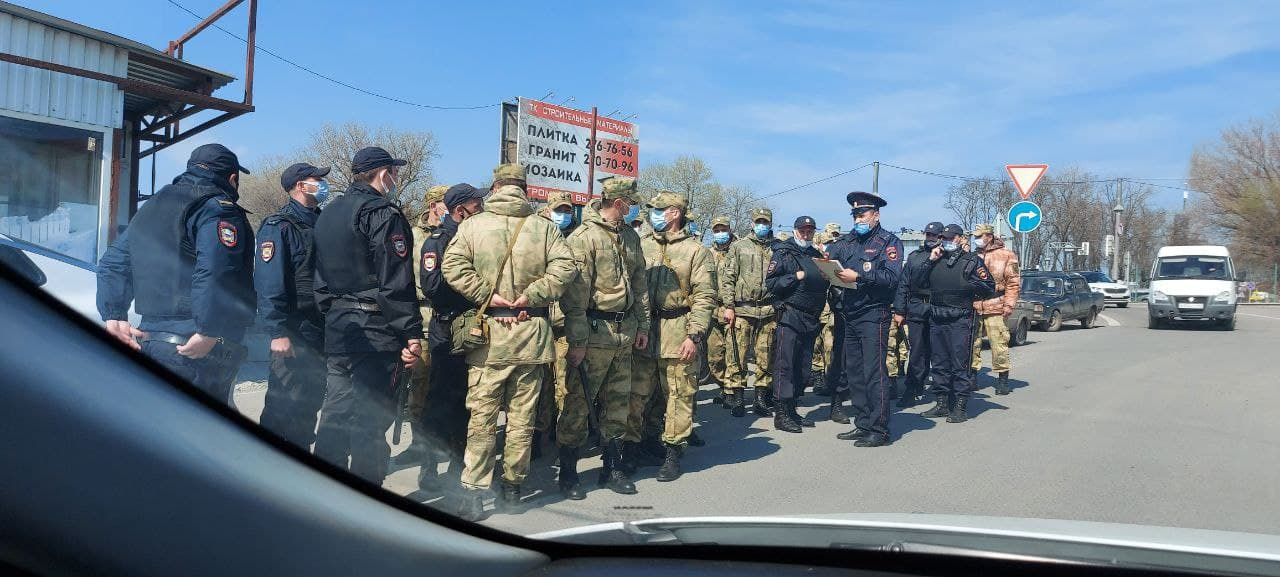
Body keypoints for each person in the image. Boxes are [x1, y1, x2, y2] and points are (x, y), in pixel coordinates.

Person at [442, 164, 576, 521]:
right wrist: (533, 294)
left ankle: (473, 493)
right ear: (523, 189)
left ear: (496, 187)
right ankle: (513, 488)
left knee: (482, 419)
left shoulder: (472, 225)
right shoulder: (544, 228)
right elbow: (565, 269)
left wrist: (489, 295)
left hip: (489, 338)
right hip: (532, 334)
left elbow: (451, 265)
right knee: (522, 418)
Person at [96, 143, 255, 405]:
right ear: (233, 178)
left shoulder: (151, 206)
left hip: (151, 339)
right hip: (195, 346)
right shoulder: (217, 208)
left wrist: (113, 314)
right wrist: (209, 329)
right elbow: (216, 270)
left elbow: (114, 262)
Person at [311, 146, 423, 485]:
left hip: (340, 327)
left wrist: (334, 313)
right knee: (370, 421)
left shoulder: (328, 213)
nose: (397, 178)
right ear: (382, 173)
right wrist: (410, 332)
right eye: (394, 171)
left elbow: (318, 277)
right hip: (375, 331)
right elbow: (395, 281)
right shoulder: (382, 213)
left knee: (335, 413)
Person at [556, 176, 650, 499]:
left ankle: (611, 467)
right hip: (595, 334)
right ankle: (568, 471)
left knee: (618, 403)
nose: (634, 207)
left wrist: (643, 326)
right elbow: (575, 298)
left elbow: (640, 287)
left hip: (624, 333)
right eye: (631, 202)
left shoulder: (631, 238)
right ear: (619, 202)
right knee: (578, 402)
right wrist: (578, 342)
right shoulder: (585, 237)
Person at [627, 191, 715, 482]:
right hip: (645, 329)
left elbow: (705, 297)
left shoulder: (696, 251)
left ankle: (673, 453)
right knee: (640, 394)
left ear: (675, 213)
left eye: (659, 209)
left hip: (679, 330)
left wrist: (695, 335)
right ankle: (640, 445)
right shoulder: (642, 245)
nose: (654, 214)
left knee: (678, 395)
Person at [254, 162, 330, 448]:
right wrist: (276, 331)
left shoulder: (321, 223)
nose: (323, 185)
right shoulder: (279, 226)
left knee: (308, 403)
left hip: (319, 327)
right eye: (317, 180)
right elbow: (269, 282)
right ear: (300, 185)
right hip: (293, 328)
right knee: (283, 403)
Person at [416, 183, 485, 492]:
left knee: (468, 403)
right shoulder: (438, 241)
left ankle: (460, 461)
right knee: (441, 399)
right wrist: (470, 293)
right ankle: (429, 464)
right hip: (447, 328)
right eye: (476, 205)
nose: (480, 210)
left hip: (474, 330)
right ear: (460, 211)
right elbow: (432, 286)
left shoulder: (476, 238)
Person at [826, 191, 904, 447]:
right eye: (855, 214)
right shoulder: (849, 242)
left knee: (874, 372)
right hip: (850, 313)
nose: (858, 218)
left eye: (863, 213)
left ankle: (879, 429)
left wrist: (859, 276)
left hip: (874, 313)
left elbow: (892, 278)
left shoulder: (888, 242)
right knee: (855, 372)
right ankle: (862, 422)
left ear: (876, 215)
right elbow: (832, 260)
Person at [917, 224, 995, 423]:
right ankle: (942, 403)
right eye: (944, 238)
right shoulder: (935, 259)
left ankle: (960, 405)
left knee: (960, 363)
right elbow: (916, 282)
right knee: (939, 362)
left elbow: (989, 287)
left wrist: (968, 284)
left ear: (960, 238)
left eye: (951, 238)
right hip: (937, 316)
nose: (947, 241)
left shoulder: (971, 261)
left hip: (961, 317)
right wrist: (929, 260)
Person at [765, 216, 829, 433]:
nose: (806, 234)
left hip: (811, 317)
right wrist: (795, 276)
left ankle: (792, 409)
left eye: (810, 231)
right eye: (803, 231)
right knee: (786, 365)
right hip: (791, 315)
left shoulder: (816, 255)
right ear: (795, 231)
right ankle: (781, 413)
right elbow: (772, 284)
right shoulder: (784, 252)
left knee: (802, 366)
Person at [535, 191, 580, 462]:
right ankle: (537, 436)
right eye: (558, 209)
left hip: (564, 327)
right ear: (548, 210)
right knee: (539, 387)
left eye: (567, 209)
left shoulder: (576, 239)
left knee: (564, 386)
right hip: (539, 324)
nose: (563, 214)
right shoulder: (536, 235)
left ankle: (562, 439)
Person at [405, 184, 449, 462]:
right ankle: (419, 441)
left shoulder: (456, 233)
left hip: (447, 319)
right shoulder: (412, 236)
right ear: (433, 206)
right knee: (419, 382)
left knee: (444, 383)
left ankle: (443, 438)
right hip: (421, 319)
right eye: (446, 203)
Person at [719, 207, 778, 418]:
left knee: (766, 355)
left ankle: (761, 399)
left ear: (770, 224)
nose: (762, 225)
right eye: (758, 222)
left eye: (765, 222)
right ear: (752, 224)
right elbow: (728, 278)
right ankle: (737, 398)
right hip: (742, 309)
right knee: (737, 354)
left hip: (768, 309)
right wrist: (728, 306)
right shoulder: (739, 246)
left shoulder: (777, 248)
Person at [893, 222, 944, 408]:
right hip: (916, 308)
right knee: (917, 352)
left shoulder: (947, 257)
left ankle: (942, 395)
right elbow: (904, 284)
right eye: (928, 235)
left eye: (935, 236)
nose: (931, 238)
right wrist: (899, 310)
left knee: (939, 353)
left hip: (939, 308)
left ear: (941, 237)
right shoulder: (915, 256)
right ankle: (912, 387)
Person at [970, 223, 1021, 395]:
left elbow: (1013, 283)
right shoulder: (971, 256)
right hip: (974, 306)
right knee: (972, 344)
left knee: (999, 344)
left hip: (996, 305)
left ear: (989, 236)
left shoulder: (1006, 255)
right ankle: (972, 378)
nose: (976, 240)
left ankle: (1003, 380)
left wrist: (1009, 304)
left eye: (980, 236)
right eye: (975, 237)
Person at [706, 216, 734, 404]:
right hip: (712, 308)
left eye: (723, 229)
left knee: (733, 353)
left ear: (730, 230)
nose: (720, 233)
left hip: (732, 308)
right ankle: (723, 385)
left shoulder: (738, 250)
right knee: (714, 354)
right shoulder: (706, 253)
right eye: (716, 230)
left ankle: (732, 391)